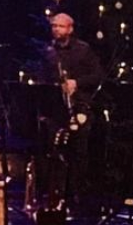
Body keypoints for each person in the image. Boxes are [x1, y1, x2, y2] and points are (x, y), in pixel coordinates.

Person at [41, 12, 103, 209]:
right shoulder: (48, 52)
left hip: (79, 107)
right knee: (53, 151)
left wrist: (77, 83)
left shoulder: (83, 50)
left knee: (78, 152)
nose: (56, 29)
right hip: (56, 108)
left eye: (60, 26)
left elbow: (97, 76)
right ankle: (54, 194)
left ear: (70, 29)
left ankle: (77, 196)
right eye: (54, 26)